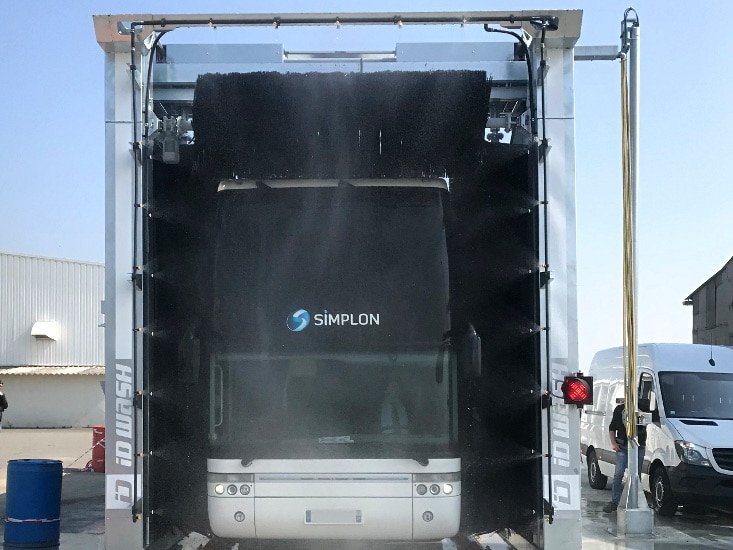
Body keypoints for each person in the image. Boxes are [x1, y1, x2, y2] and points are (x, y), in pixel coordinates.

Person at [603, 400, 646, 512]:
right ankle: (615, 502)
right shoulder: (619, 409)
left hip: (639, 446)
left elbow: (653, 419)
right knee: (618, 474)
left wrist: (641, 414)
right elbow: (612, 427)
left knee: (636, 475)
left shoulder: (643, 407)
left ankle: (635, 501)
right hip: (622, 446)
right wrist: (613, 443)